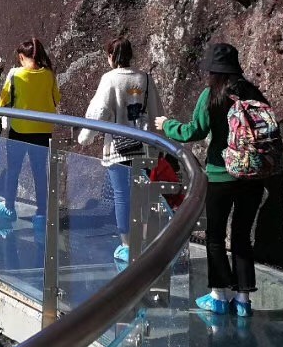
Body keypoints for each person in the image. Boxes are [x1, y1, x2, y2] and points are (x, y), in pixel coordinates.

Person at [154, 42, 269, 319]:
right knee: (242, 235)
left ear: (213, 71)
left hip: (221, 174)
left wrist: (166, 125)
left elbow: (194, 131)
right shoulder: (253, 92)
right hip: (253, 175)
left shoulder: (212, 95)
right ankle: (243, 300)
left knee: (216, 235)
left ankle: (219, 295)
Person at [78, 37, 160, 268]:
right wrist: (159, 142)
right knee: (142, 197)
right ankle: (143, 242)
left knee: (122, 196)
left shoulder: (110, 79)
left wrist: (85, 138)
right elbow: (156, 111)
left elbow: (99, 112)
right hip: (143, 145)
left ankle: (126, 245)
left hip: (118, 148)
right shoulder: (145, 78)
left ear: (111, 56)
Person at [0, 39, 61, 224]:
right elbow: (56, 98)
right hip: (42, 129)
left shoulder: (15, 74)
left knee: (13, 169)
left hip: (19, 129)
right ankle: (41, 213)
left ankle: (8, 207)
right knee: (40, 172)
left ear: (21, 57)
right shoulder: (49, 74)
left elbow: (2, 101)